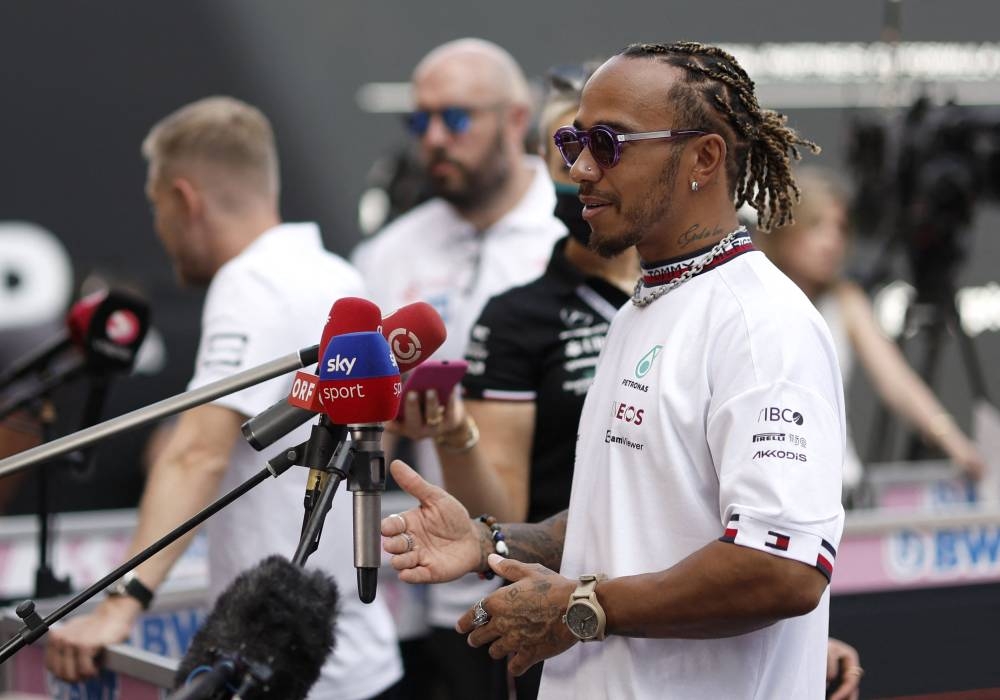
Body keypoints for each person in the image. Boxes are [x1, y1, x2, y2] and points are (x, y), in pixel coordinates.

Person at [380, 41, 846, 699]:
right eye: (573, 142)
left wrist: (583, 607)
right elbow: (626, 518)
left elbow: (783, 570)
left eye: (609, 142)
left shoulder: (761, 324)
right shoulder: (645, 306)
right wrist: (492, 539)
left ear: (703, 158)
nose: (581, 170)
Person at [44, 96, 403, 700]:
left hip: (275, 676)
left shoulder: (252, 282)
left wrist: (120, 605)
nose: (160, 231)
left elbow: (196, 455)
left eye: (158, 208)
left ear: (186, 200)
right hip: (360, 659)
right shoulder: (337, 276)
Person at [353, 38, 565, 700]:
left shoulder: (576, 237)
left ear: (514, 118)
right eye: (420, 122)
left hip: (568, 578)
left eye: (456, 118)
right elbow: (365, 426)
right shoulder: (388, 253)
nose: (435, 138)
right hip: (437, 591)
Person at [754, 166, 986, 501]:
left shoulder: (846, 301)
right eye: (817, 225)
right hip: (763, 492)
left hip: (838, 491)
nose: (832, 241)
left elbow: (896, 381)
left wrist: (954, 442)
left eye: (841, 228)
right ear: (784, 227)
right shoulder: (748, 299)